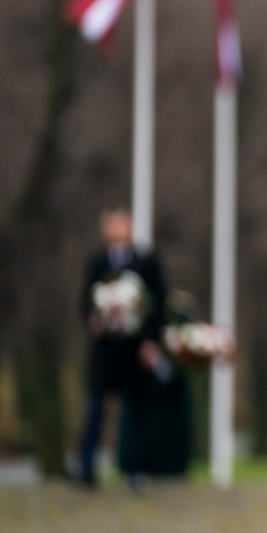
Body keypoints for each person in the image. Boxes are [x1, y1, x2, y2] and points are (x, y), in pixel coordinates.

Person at [77, 207, 168, 490]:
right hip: (105, 350)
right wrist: (94, 321)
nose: (116, 229)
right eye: (111, 224)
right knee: (95, 409)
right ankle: (87, 469)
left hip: (135, 350)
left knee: (139, 410)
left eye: (121, 224)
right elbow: (85, 301)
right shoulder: (97, 263)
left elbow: (158, 302)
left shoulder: (146, 262)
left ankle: (136, 469)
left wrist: (151, 341)